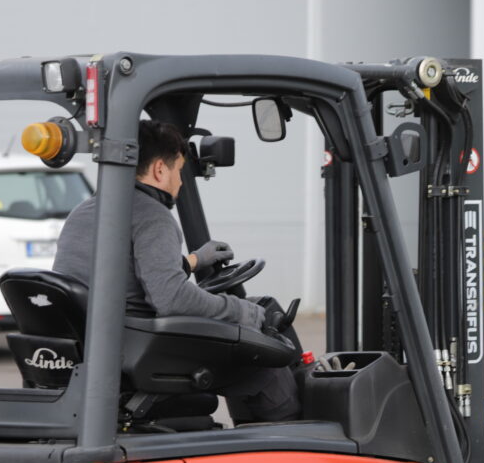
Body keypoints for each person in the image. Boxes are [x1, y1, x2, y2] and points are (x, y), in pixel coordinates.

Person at [54, 119, 301, 423]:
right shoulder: (152, 215)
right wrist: (242, 311)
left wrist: (194, 261)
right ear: (160, 169)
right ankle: (294, 441)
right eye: (179, 171)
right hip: (140, 353)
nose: (181, 182)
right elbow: (172, 300)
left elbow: (126, 273)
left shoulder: (85, 212)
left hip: (102, 347)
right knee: (265, 366)